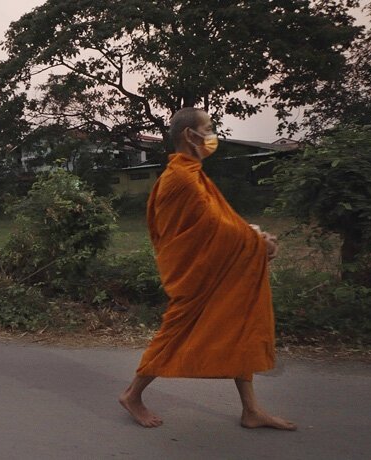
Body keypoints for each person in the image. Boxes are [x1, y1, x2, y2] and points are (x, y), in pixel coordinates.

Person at [118, 107, 296, 430]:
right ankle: (132, 394)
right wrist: (257, 242)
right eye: (209, 128)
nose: (212, 135)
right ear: (190, 135)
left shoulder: (192, 174)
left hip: (216, 269)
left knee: (241, 320)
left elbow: (221, 220)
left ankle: (251, 410)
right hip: (195, 274)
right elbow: (214, 227)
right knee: (175, 332)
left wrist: (253, 236)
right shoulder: (181, 179)